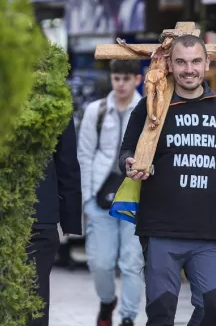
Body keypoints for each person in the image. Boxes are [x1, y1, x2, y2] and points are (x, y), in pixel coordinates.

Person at [119, 34, 216, 326]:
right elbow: (128, 151)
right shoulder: (151, 106)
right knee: (161, 312)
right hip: (161, 228)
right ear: (170, 63)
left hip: (212, 228)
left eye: (196, 61)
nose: (189, 69)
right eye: (181, 62)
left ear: (208, 63)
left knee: (214, 305)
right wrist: (130, 164)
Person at [78, 60, 144, 326]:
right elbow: (84, 154)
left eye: (126, 79)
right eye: (116, 78)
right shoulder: (97, 110)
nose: (121, 84)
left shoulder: (147, 110)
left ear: (137, 80)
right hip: (99, 194)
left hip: (134, 196)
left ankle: (128, 317)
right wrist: (86, 199)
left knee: (131, 261)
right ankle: (107, 302)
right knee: (100, 262)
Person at [28, 118, 82, 326]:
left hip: (38, 216)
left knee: (32, 295)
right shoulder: (53, 97)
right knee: (34, 295)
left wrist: (69, 218)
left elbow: (66, 162)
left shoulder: (54, 100)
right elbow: (67, 162)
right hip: (38, 214)